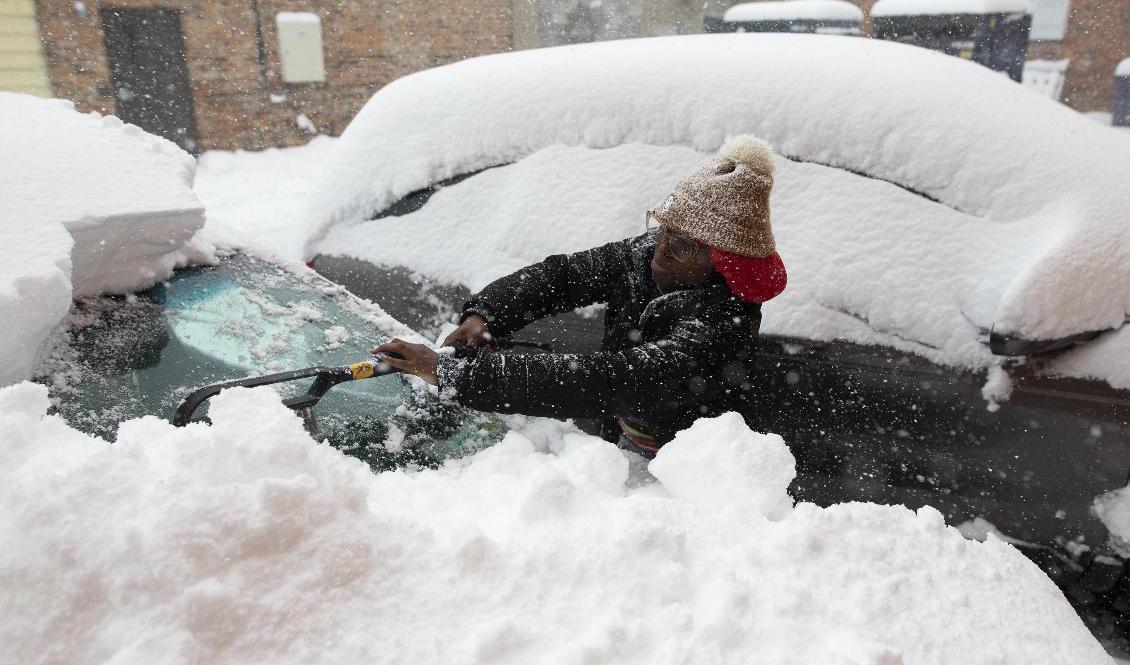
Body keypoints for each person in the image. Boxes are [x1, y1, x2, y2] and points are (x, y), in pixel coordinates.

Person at [373, 134, 787, 456]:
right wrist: (486, 315)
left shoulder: (721, 323)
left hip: (692, 471)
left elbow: (607, 380)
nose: (661, 246)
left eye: (682, 244)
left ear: (722, 262)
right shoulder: (642, 256)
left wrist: (454, 375)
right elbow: (563, 276)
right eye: (662, 228)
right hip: (623, 443)